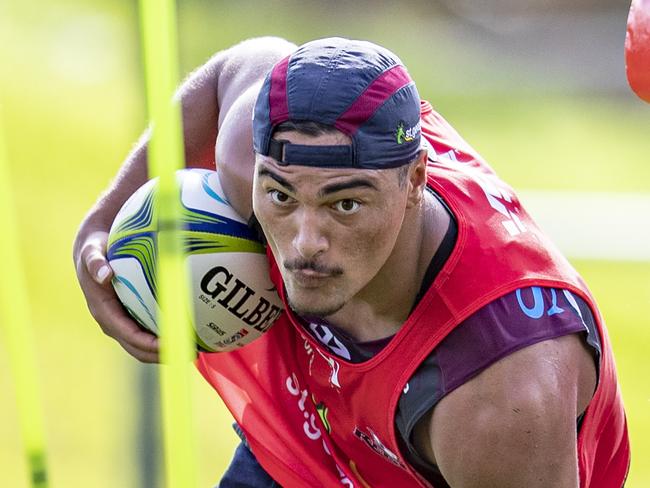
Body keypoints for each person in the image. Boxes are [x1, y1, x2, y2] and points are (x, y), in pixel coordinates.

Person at [73, 37, 630, 487]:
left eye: (346, 204)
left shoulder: (500, 395)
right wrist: (101, 225)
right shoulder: (254, 161)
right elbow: (236, 68)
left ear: (415, 181)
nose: (303, 243)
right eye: (282, 198)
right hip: (305, 442)